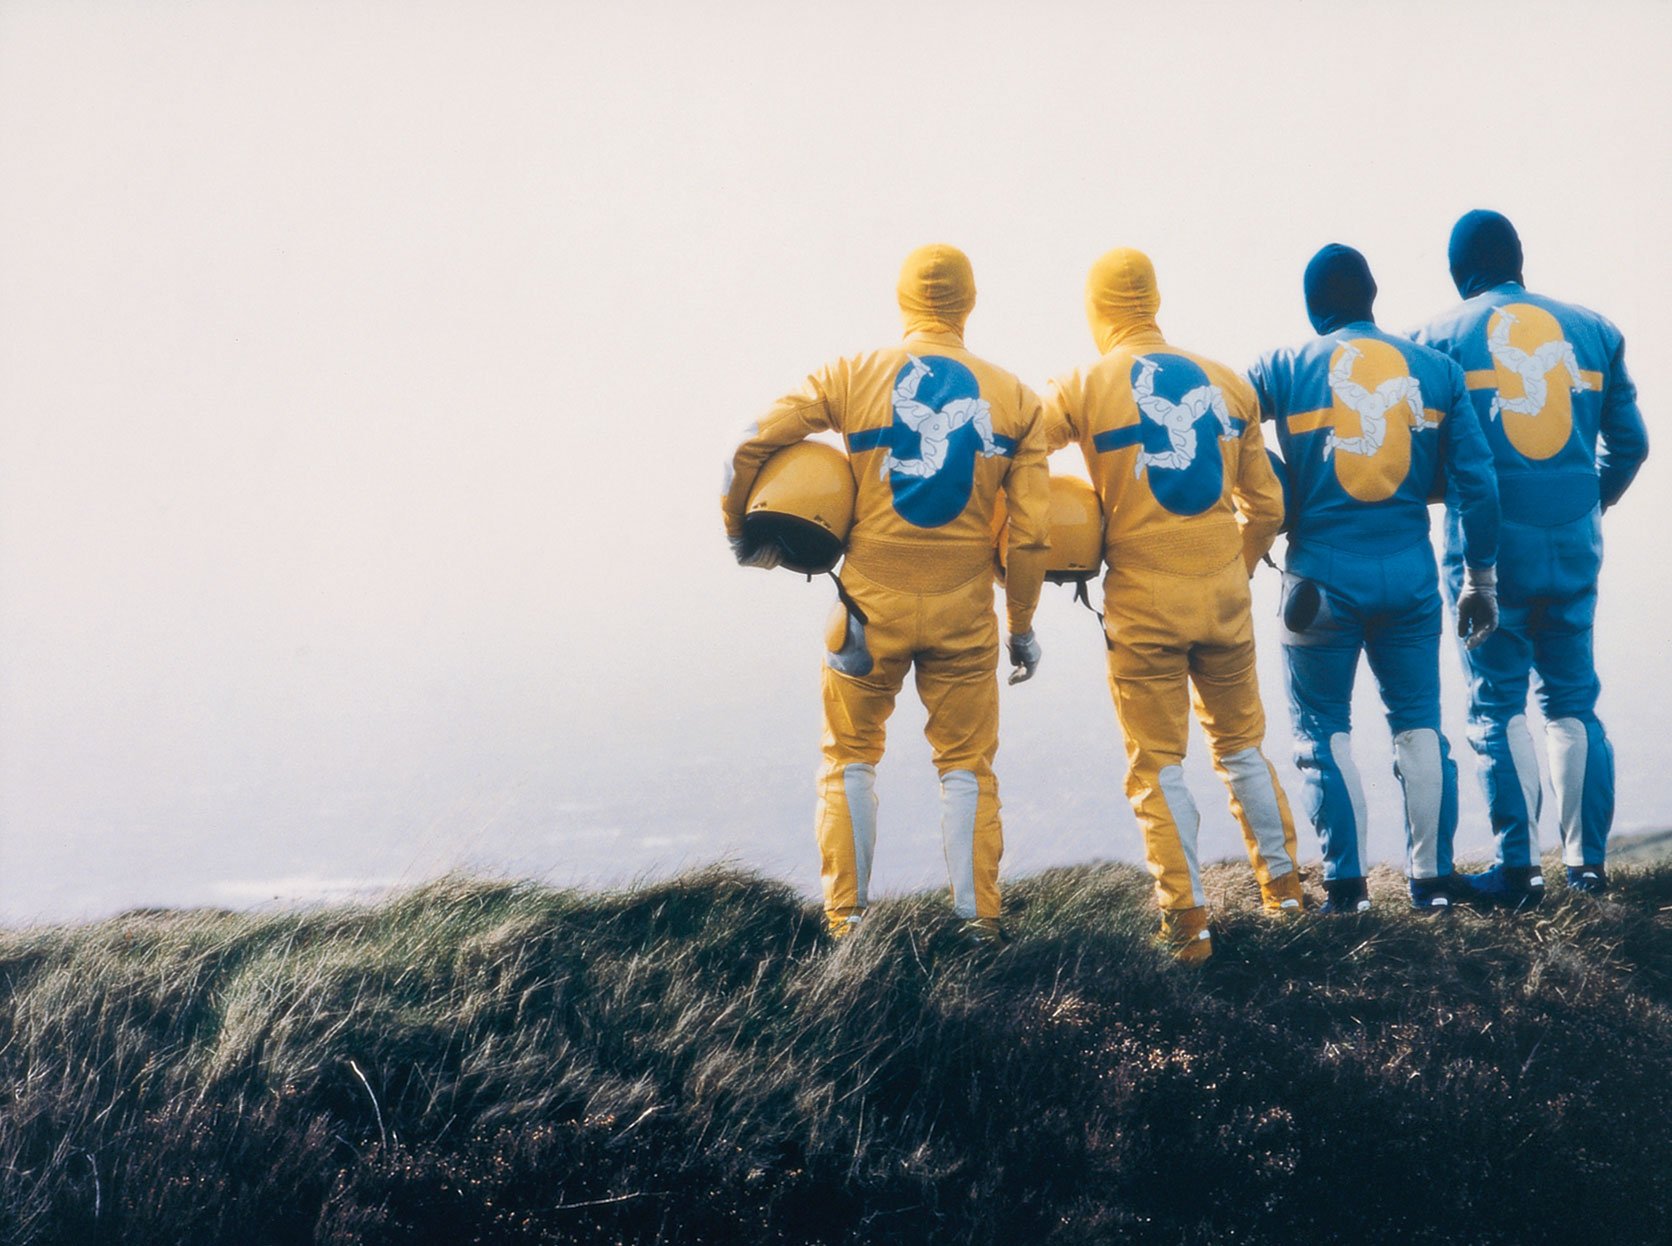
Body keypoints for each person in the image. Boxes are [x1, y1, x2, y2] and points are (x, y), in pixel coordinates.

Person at [721, 244, 1051, 943]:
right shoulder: (1019, 401)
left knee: (849, 758)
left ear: (902, 298)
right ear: (969, 303)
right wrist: (1021, 624)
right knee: (965, 767)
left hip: (867, 608)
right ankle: (977, 923)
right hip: (965, 612)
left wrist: (741, 537)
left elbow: (744, 449)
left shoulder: (850, 375)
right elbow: (1029, 535)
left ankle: (846, 922)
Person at [1044, 247, 1304, 963]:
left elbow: (1017, 451)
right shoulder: (1228, 384)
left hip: (1142, 606)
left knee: (1157, 765)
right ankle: (1285, 897)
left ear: (1096, 309)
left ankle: (1187, 926)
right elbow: (1269, 506)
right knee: (1243, 749)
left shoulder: (1082, 384)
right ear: (1155, 300)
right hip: (1222, 596)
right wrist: (1236, 570)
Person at [1248, 244, 1501, 914]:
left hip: (1316, 582)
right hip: (1411, 581)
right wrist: (1481, 581)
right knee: (1419, 723)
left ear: (1313, 307)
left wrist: (1277, 491)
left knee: (1321, 731)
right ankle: (1433, 882)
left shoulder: (1281, 367)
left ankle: (1346, 890)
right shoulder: (1438, 373)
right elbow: (1478, 485)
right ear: (1372, 295)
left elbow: (1223, 426)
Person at [1411, 210, 1648, 902]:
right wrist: (1587, 502)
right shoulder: (1596, 331)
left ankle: (1520, 868)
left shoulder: (1435, 340)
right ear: (1520, 259)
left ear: (1461, 275)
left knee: (1497, 705)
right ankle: (1588, 869)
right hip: (1573, 542)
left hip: (1487, 553)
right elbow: (1630, 445)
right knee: (1573, 700)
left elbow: (1418, 458)